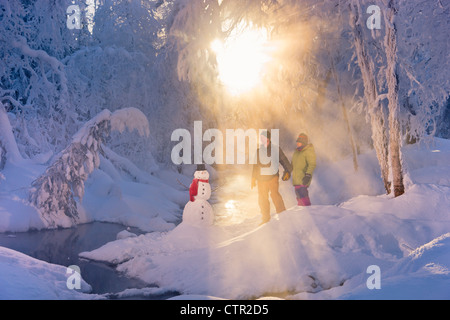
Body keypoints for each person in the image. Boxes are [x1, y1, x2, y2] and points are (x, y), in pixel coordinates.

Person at [251, 130, 292, 224]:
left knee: (274, 194)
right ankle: (265, 218)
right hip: (261, 179)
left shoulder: (276, 149)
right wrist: (253, 178)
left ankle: (282, 215)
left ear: (268, 139)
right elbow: (255, 166)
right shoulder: (259, 151)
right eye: (261, 138)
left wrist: (287, 171)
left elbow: (284, 161)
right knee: (262, 198)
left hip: (272, 177)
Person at [291, 133, 316, 206]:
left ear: (303, 142)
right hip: (296, 179)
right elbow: (292, 164)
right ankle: (302, 211)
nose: (297, 143)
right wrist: (288, 171)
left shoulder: (308, 151)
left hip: (303, 178)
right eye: (297, 142)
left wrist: (308, 175)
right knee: (299, 197)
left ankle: (308, 209)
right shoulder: (296, 152)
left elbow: (312, 164)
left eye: (299, 142)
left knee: (303, 196)